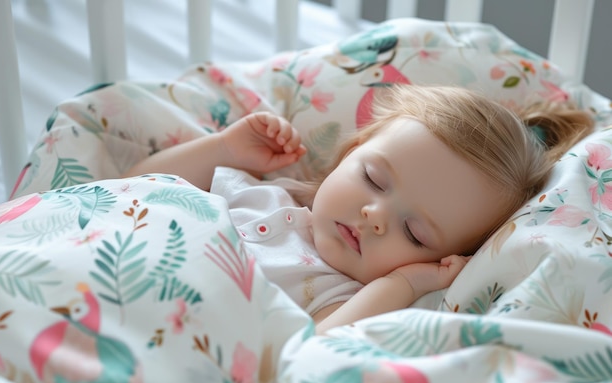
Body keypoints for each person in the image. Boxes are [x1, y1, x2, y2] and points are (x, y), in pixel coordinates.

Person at [123, 84, 593, 334]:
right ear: (353, 149)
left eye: (414, 232)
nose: (374, 215)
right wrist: (223, 148)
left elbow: (314, 353)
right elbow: (129, 187)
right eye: (374, 179)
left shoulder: (342, 298)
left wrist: (403, 285)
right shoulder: (259, 192)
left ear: (439, 259)